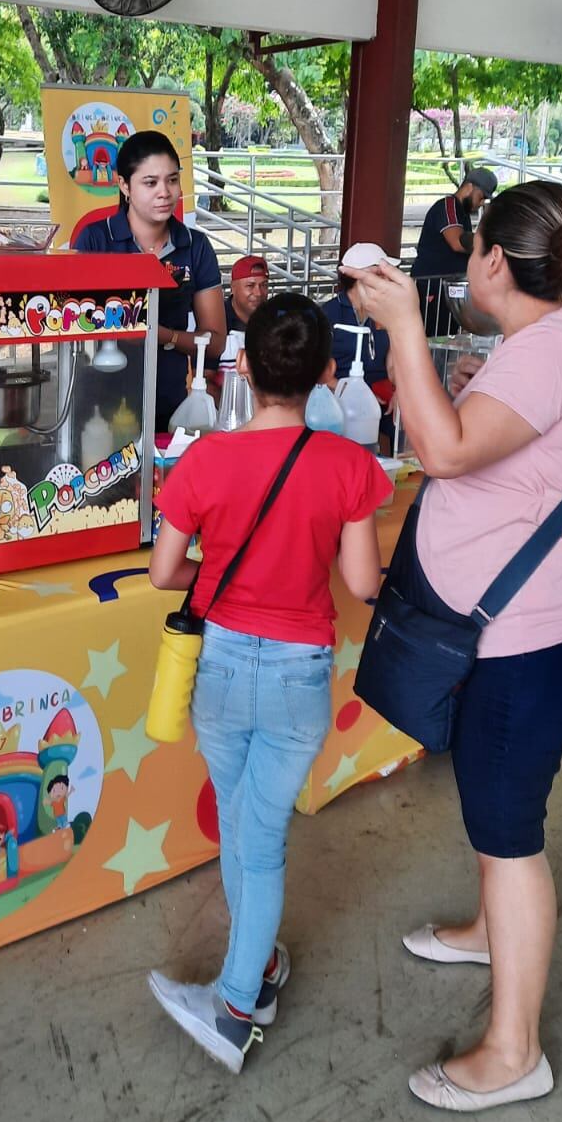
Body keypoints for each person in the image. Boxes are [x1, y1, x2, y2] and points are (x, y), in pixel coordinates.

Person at [344, 180, 562, 1113]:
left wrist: (404, 330)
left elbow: (450, 453)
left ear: (497, 263)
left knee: (511, 838)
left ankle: (515, 1052)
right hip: (539, 631)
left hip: (533, 642)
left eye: (471, 249)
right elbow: (498, 430)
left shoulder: (543, 355)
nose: (463, 262)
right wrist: (468, 387)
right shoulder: (556, 333)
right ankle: (484, 932)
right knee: (489, 800)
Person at [145, 295, 392, 1071]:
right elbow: (362, 583)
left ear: (242, 365)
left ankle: (235, 1006)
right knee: (258, 833)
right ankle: (259, 967)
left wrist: (215, 575)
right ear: (325, 374)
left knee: (245, 831)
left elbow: (163, 573)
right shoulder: (349, 466)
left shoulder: (204, 460)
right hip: (299, 675)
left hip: (219, 664)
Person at [72, 131, 225, 431]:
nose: (165, 192)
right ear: (124, 185)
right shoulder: (94, 239)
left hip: (172, 402)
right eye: (150, 182)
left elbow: (215, 342)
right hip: (98, 403)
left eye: (172, 180)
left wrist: (163, 335)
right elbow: (72, 326)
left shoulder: (195, 246)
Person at [411, 166, 497, 335]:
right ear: (470, 187)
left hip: (445, 290)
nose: (480, 204)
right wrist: (488, 242)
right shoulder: (448, 206)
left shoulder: (461, 213)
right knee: (431, 336)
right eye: (481, 197)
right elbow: (457, 242)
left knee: (444, 336)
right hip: (431, 287)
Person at [321, 241, 396, 386]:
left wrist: (399, 390)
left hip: (381, 392)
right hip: (337, 396)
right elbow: (317, 368)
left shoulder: (387, 311)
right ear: (357, 276)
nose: (387, 280)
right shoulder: (329, 313)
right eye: (380, 274)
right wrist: (347, 393)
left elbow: (394, 361)